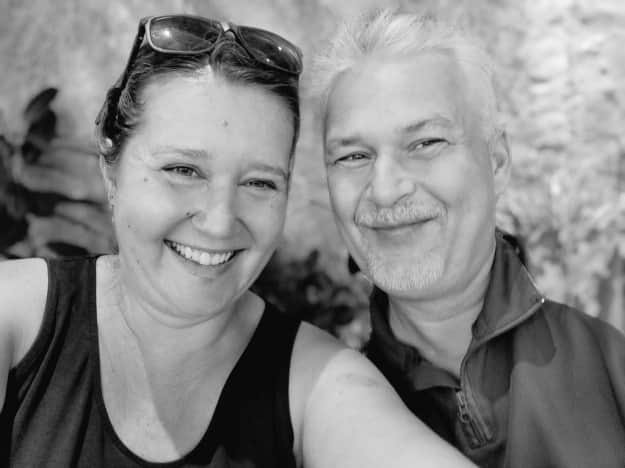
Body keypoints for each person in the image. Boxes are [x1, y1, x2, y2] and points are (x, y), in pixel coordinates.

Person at [0, 13, 475, 468]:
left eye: (259, 183)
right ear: (111, 166)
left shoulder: (318, 385)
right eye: (183, 170)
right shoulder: (14, 316)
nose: (219, 222)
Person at [314, 9, 625, 468]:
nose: (385, 188)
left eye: (425, 143)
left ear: (497, 163)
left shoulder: (611, 362)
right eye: (354, 156)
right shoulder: (322, 423)